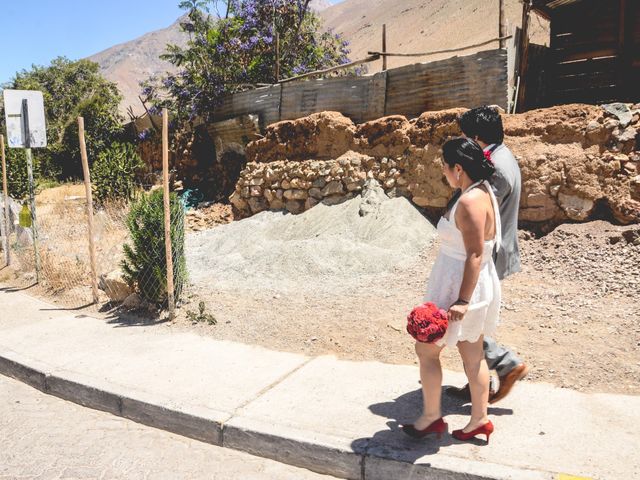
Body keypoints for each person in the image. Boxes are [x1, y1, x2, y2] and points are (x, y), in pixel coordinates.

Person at [402, 137, 501, 443]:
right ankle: (479, 420)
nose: (443, 173)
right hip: (472, 282)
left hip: (458, 286)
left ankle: (431, 417)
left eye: (445, 167)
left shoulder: (470, 201)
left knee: (427, 349)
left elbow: (474, 253)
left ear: (458, 168)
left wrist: (461, 300)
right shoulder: (483, 192)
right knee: (473, 355)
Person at [447, 106, 528, 404]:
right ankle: (476, 383)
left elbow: (478, 210)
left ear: (477, 137)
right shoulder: (502, 156)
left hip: (487, 252)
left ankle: (506, 364)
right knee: (471, 320)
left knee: (467, 319)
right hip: (491, 249)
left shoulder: (496, 168)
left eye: (466, 137)